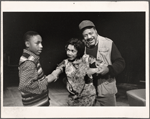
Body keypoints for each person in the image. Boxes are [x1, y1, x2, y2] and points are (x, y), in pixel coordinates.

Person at [78, 20, 125, 106]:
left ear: (96, 31)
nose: (89, 37)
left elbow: (120, 62)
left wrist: (108, 69)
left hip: (106, 91)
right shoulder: (81, 46)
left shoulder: (108, 43)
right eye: (85, 35)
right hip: (87, 92)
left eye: (91, 33)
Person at [49, 38, 102, 106]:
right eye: (68, 50)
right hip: (73, 98)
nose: (69, 53)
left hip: (88, 97)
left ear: (79, 51)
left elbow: (102, 66)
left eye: (72, 51)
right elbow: (56, 72)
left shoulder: (87, 58)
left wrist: (93, 71)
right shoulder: (65, 62)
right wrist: (53, 77)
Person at [18, 31, 56, 106]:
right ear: (27, 44)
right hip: (35, 105)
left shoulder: (31, 58)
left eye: (41, 43)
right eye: (37, 43)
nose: (41, 46)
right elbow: (25, 86)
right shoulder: (29, 62)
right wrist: (47, 80)